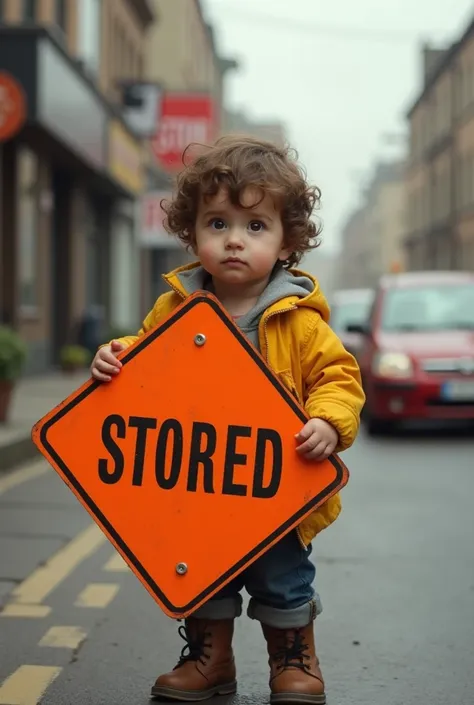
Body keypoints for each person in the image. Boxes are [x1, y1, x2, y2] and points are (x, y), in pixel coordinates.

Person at [91, 135, 365, 705]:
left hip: (276, 491)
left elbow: (339, 380)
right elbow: (145, 358)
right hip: (200, 486)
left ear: (288, 239)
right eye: (217, 224)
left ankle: (294, 660)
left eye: (255, 227)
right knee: (202, 575)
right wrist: (114, 356)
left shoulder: (300, 321)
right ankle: (209, 659)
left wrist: (329, 422)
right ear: (193, 233)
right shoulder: (175, 309)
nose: (234, 240)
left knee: (283, 577)